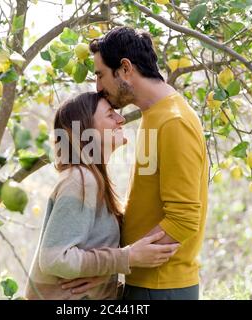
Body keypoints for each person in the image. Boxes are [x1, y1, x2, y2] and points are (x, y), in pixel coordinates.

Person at [62, 26, 209, 300]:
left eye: (100, 75)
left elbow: (184, 218)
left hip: (163, 287)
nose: (98, 87)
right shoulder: (153, 115)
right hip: (146, 283)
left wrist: (119, 262)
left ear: (125, 68)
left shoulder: (174, 121)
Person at [25, 92, 179, 300]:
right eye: (109, 114)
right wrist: (127, 257)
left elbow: (89, 251)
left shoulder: (92, 180)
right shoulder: (80, 181)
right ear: (87, 131)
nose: (121, 119)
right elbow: (55, 259)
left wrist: (104, 271)